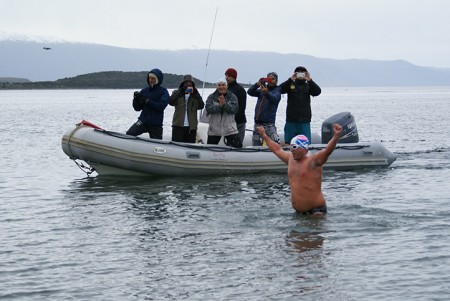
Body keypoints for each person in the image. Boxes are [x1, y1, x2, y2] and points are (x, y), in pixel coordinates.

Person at [257, 123, 343, 215]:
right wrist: (264, 135)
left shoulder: (313, 162)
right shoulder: (291, 159)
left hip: (316, 213)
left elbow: (327, 151)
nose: (291, 150)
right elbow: (277, 149)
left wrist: (336, 136)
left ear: (304, 148)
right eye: (290, 147)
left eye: (294, 147)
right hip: (298, 214)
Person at [279, 66, 321, 143]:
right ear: (295, 74)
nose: (301, 75)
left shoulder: (308, 86)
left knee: (305, 143)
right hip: (291, 120)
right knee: (289, 143)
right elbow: (279, 90)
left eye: (303, 73)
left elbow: (317, 92)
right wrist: (291, 79)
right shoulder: (290, 84)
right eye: (299, 73)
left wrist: (310, 80)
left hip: (304, 121)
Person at [126, 68, 169, 139]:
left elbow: (161, 107)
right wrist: (135, 99)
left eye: (153, 78)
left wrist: (147, 101)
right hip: (143, 121)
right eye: (149, 78)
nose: (150, 80)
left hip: (156, 124)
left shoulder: (163, 91)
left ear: (158, 79)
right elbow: (137, 108)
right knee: (129, 134)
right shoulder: (144, 91)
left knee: (157, 145)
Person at [205, 79, 242, 148]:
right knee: (209, 150)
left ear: (227, 86)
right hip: (214, 129)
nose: (221, 87)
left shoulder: (233, 97)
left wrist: (225, 105)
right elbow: (208, 108)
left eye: (223, 85)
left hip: (230, 129)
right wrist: (220, 106)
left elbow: (234, 109)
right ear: (216, 86)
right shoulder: (211, 97)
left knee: (238, 147)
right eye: (219, 85)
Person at [247, 72, 282, 146]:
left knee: (275, 144)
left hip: (269, 124)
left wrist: (266, 93)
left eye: (272, 79)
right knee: (256, 145)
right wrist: (257, 84)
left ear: (276, 81)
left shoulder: (277, 91)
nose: (270, 81)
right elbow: (249, 92)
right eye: (268, 79)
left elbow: (274, 99)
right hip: (258, 124)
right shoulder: (261, 90)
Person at [168, 74, 204, 143]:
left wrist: (196, 94)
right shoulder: (176, 92)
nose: (188, 84)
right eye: (186, 83)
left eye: (190, 83)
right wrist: (180, 92)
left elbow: (201, 106)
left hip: (191, 128)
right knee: (176, 148)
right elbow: (170, 102)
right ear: (182, 84)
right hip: (178, 126)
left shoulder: (195, 95)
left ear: (193, 84)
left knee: (190, 149)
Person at [225, 68, 247, 144]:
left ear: (234, 77)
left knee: (238, 145)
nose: (226, 77)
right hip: (228, 123)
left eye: (228, 76)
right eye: (226, 75)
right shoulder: (226, 89)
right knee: (229, 144)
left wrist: (233, 120)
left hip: (239, 123)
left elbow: (242, 108)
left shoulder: (240, 90)